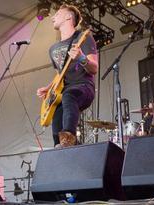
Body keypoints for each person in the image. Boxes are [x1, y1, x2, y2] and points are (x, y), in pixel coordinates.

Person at [37, 4, 98, 148]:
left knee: (69, 96)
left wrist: (81, 58)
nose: (53, 17)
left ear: (68, 16)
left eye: (57, 13)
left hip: (83, 87)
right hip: (63, 91)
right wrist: (48, 88)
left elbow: (94, 68)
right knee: (57, 121)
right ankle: (64, 151)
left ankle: (68, 139)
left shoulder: (83, 37)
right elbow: (60, 74)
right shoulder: (53, 49)